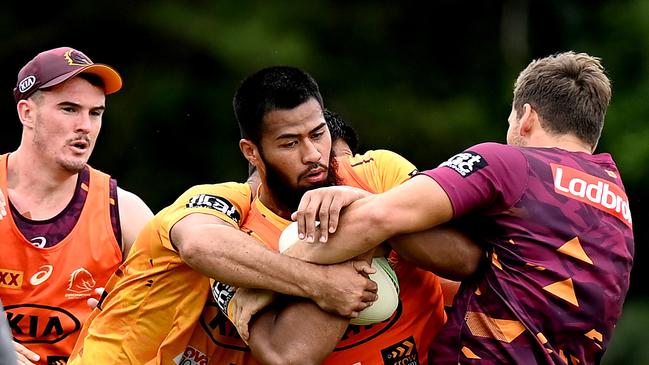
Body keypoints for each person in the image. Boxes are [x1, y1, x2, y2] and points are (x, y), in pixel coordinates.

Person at [289, 51, 634, 364]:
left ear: (526, 117)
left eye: (510, 120)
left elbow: (379, 218)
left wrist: (269, 276)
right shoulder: (616, 201)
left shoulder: (511, 164)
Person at [180, 66, 474, 365]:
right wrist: (323, 284)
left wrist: (365, 212)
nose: (313, 154)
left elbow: (466, 259)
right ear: (251, 152)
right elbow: (285, 357)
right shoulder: (242, 240)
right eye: (290, 143)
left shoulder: (380, 173)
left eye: (318, 134)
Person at [66, 108, 378, 363]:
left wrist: (362, 217)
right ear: (258, 158)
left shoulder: (330, 228)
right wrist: (323, 283)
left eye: (344, 170)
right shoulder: (227, 209)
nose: (327, 175)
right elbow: (198, 244)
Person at [0, 47, 153, 365]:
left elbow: (168, 319)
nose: (86, 125)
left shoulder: (125, 211)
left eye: (95, 113)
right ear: (27, 113)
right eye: (69, 109)